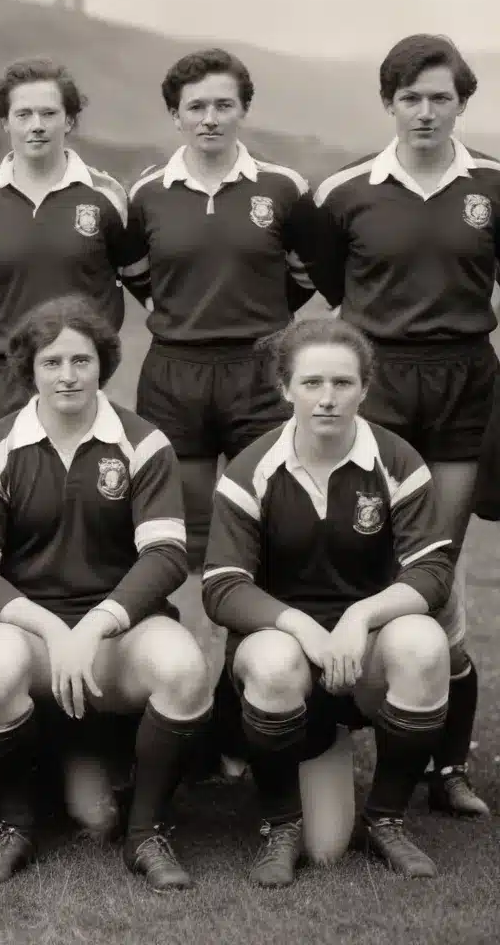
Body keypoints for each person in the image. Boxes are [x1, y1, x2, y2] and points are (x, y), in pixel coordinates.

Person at [0, 295, 212, 892]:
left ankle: (148, 831)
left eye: (81, 361)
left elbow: (167, 556)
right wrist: (48, 628)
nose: (67, 375)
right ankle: (13, 823)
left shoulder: (144, 443)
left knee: (182, 666)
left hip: (116, 635)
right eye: (52, 362)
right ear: (29, 370)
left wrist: (95, 625)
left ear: (103, 365)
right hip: (33, 636)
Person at [304, 34, 498, 818]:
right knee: (354, 549)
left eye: (440, 97)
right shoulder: (345, 190)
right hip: (374, 381)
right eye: (410, 97)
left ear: (461, 102)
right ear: (389, 101)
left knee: (433, 566)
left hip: (463, 383)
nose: (425, 111)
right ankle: (321, 724)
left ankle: (441, 765)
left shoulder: (491, 182)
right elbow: (327, 279)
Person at [203, 317, 454, 886]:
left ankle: (386, 817)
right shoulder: (251, 470)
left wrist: (360, 617)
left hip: (363, 654)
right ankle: (279, 823)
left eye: (342, 383)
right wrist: (304, 630)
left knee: (424, 643)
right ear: (285, 387)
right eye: (311, 383)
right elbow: (221, 585)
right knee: (323, 847)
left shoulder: (397, 461)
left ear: (365, 388)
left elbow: (434, 570)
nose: (327, 398)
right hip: (284, 656)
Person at [121, 49, 315, 655]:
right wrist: (188, 313)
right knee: (185, 531)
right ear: (175, 115)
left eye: (223, 105)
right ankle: (192, 676)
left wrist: (256, 316)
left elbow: (304, 276)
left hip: (262, 370)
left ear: (243, 111)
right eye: (196, 106)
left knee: (273, 520)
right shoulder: (148, 194)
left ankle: (261, 670)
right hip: (175, 373)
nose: (210, 118)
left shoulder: (284, 189)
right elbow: (137, 273)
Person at [0, 58, 134, 436]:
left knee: (83, 489)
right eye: (23, 114)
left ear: (68, 120)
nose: (36, 125)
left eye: (48, 113)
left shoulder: (107, 197)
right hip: (3, 378)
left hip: (80, 374)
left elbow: (141, 278)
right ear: (5, 121)